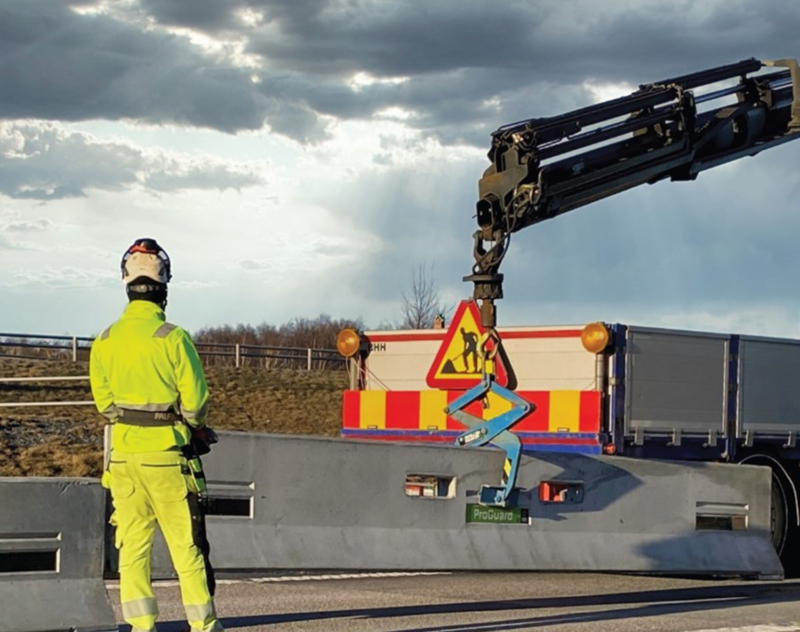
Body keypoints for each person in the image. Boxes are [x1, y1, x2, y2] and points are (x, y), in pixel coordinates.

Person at [90, 238, 223, 632]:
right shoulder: (173, 337)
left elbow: (105, 406)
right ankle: (204, 626)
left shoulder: (105, 340)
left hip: (124, 460)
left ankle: (141, 626)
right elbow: (197, 403)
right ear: (163, 287)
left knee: (132, 548)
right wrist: (190, 424)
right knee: (186, 547)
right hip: (167, 456)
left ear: (126, 284)